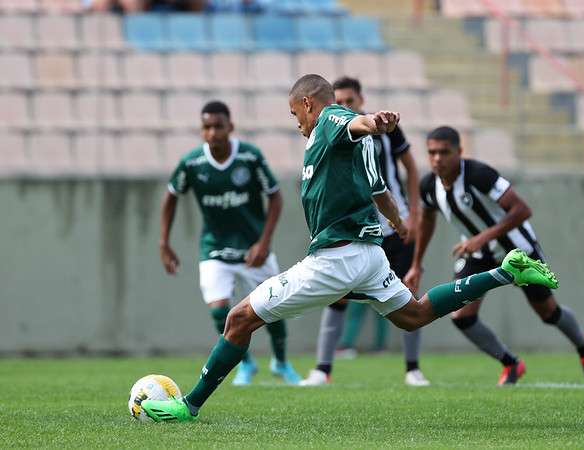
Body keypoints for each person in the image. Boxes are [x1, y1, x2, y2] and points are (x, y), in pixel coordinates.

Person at [140, 75, 558, 422]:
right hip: (368, 256)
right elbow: (378, 189)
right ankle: (506, 272)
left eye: (294, 115)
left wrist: (374, 120)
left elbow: (353, 121)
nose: (297, 124)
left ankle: (188, 405)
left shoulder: (328, 121)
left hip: (335, 260)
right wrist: (397, 220)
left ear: (307, 104)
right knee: (414, 315)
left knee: (238, 318)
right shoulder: (349, 151)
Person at [403, 126, 584, 385]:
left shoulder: (478, 174)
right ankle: (511, 363)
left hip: (517, 250)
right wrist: (416, 264)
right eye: (432, 153)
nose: (437, 159)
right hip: (477, 255)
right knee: (462, 317)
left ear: (459, 152)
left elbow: (522, 209)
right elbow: (427, 220)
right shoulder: (429, 185)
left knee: (548, 313)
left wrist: (482, 237)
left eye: (444, 152)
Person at [159, 100, 301, 386]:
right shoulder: (192, 163)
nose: (212, 133)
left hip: (253, 250)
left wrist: (264, 242)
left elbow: (274, 196)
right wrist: (164, 243)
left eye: (218, 127)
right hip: (214, 247)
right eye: (207, 127)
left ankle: (281, 362)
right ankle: (245, 362)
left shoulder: (249, 157)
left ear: (230, 127)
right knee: (219, 308)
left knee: (275, 307)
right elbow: (171, 196)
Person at [300, 76, 430, 387]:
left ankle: (412, 368)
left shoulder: (379, 129)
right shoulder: (333, 130)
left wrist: (411, 213)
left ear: (360, 100)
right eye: (339, 102)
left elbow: (410, 168)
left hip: (393, 225)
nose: (344, 107)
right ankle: (323, 368)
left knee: (408, 294)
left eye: (350, 102)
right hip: (357, 228)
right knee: (338, 297)